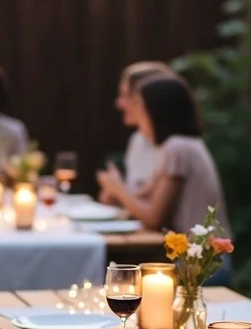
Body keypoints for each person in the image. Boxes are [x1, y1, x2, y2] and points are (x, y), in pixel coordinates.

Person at [96, 73, 233, 284]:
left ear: (157, 111)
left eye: (140, 107)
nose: (137, 114)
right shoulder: (181, 145)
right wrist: (117, 192)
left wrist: (118, 189)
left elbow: (153, 217)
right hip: (198, 259)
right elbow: (145, 195)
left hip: (201, 263)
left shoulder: (177, 149)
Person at [101, 61, 172, 203]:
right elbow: (135, 202)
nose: (119, 103)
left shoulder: (175, 147)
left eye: (125, 95)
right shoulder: (138, 140)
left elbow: (155, 214)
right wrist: (114, 193)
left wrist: (119, 190)